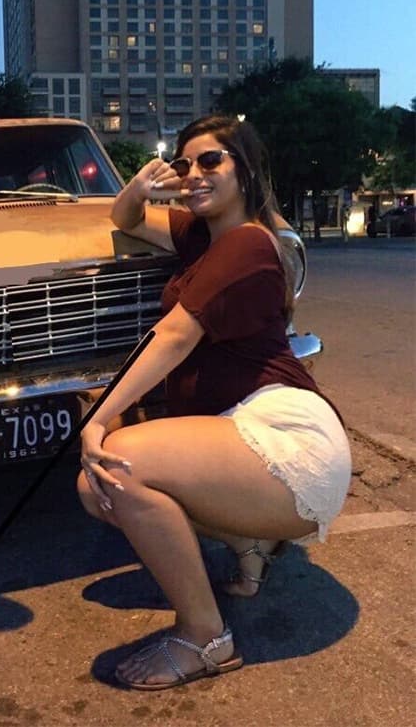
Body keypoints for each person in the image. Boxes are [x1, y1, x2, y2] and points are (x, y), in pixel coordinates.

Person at [77, 115, 351, 690]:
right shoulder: (202, 235)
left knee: (116, 465)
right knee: (95, 485)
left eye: (210, 161)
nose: (193, 174)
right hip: (249, 431)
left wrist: (97, 419)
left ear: (244, 170)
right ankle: (250, 544)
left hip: (289, 439)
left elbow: (174, 337)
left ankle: (206, 637)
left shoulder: (248, 242)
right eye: (184, 164)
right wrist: (142, 185)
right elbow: (125, 218)